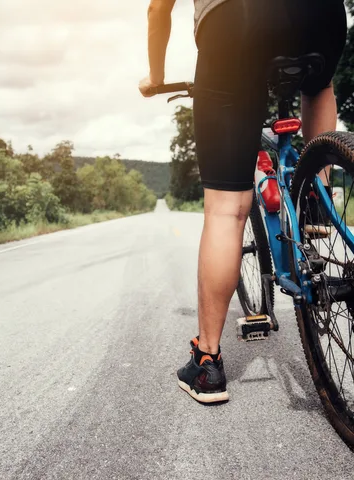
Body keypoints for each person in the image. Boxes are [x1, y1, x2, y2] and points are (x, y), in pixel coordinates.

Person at [139, 0, 347, 403]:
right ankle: (315, 202)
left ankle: (207, 363)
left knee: (226, 208)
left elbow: (158, 9)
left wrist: (155, 77)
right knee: (318, 83)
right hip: (321, 15)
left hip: (236, 21)